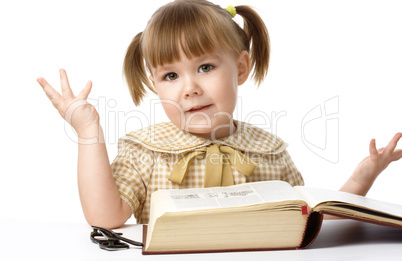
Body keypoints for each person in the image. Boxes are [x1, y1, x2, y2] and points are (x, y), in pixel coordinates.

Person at [36, 0, 402, 228]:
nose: (190, 87)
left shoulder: (269, 151)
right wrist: (88, 132)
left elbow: (311, 219)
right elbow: (105, 217)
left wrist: (361, 178)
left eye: (206, 67)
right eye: (171, 75)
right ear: (155, 84)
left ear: (241, 68)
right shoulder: (145, 150)